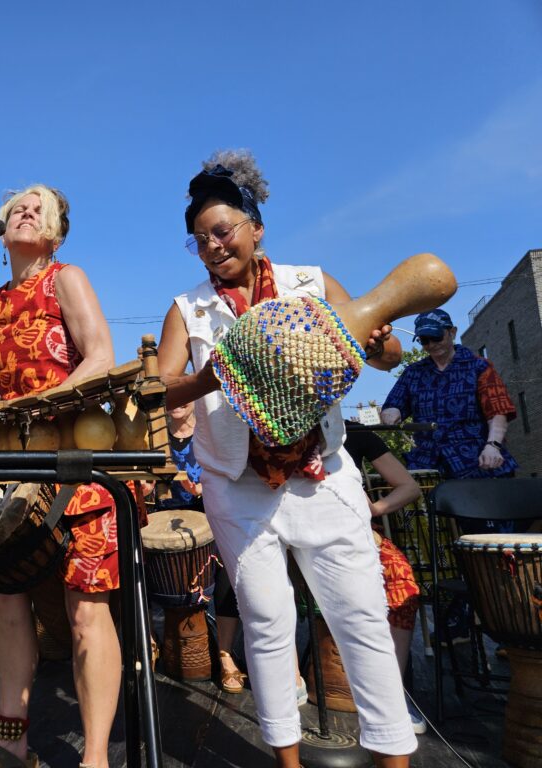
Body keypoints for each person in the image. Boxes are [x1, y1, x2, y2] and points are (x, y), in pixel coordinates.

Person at [157, 150, 416, 768]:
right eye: (200, 241)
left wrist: (385, 345)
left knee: (361, 620)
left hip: (322, 479)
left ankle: (394, 757)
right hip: (236, 487)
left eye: (222, 231)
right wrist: (207, 378)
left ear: (256, 227)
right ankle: (287, 761)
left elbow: (385, 354)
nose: (213, 247)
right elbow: (157, 389)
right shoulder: (188, 309)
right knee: (267, 625)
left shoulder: (310, 283)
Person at [0, 185, 121, 768]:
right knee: (8, 606)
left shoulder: (67, 278)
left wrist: (40, 404)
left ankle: (95, 757)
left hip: (75, 469)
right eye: (16, 207)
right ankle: (10, 742)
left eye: (38, 207)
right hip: (16, 472)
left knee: (87, 612)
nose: (24, 212)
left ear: (55, 232)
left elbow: (101, 356)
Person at [381, 309, 519, 534]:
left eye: (436, 337)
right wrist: (391, 412)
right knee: (436, 535)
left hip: (476, 461)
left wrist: (493, 445)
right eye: (424, 340)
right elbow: (393, 404)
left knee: (489, 533)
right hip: (429, 464)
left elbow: (497, 409)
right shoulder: (413, 373)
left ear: (452, 332)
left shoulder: (478, 366)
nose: (431, 344)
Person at [154, 403, 245, 695]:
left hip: (212, 513)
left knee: (227, 576)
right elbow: (142, 480)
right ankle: (148, 642)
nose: (178, 402)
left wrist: (208, 486)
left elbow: (235, 471)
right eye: (172, 395)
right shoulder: (152, 435)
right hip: (166, 517)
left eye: (184, 395)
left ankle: (225, 653)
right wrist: (145, 486)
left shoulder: (210, 432)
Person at [342, 421, 426, 734]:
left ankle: (391, 690)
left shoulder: (357, 432)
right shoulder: (278, 423)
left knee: (400, 578)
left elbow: (409, 486)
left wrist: (375, 510)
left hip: (353, 533)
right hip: (296, 534)